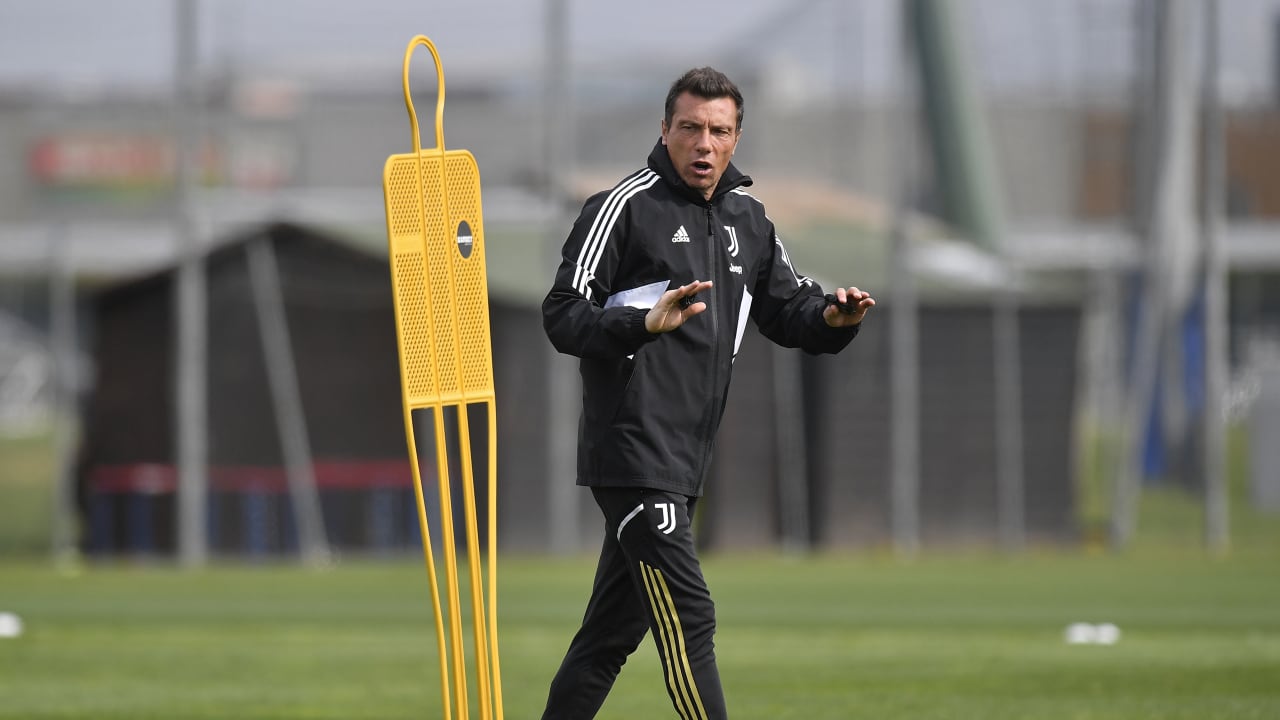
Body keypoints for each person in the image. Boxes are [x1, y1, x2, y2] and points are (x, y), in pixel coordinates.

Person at [540, 66, 874, 720]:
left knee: (608, 639)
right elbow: (563, 314)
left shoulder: (748, 222)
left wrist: (834, 319)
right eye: (689, 127)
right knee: (690, 616)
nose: (703, 143)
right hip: (633, 454)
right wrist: (641, 321)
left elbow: (791, 308)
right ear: (664, 130)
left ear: (736, 139)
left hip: (685, 462)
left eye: (718, 131)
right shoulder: (625, 207)